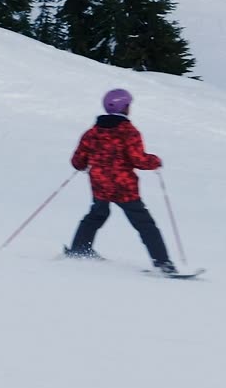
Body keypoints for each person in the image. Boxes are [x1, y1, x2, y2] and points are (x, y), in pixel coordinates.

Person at [64, 88, 176, 274]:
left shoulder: (92, 133)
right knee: (145, 224)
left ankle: (79, 248)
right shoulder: (129, 132)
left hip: (100, 186)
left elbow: (77, 161)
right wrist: (154, 161)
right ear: (124, 107)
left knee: (96, 215)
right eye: (129, 105)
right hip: (124, 188)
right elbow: (137, 159)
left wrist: (83, 165)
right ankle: (163, 263)